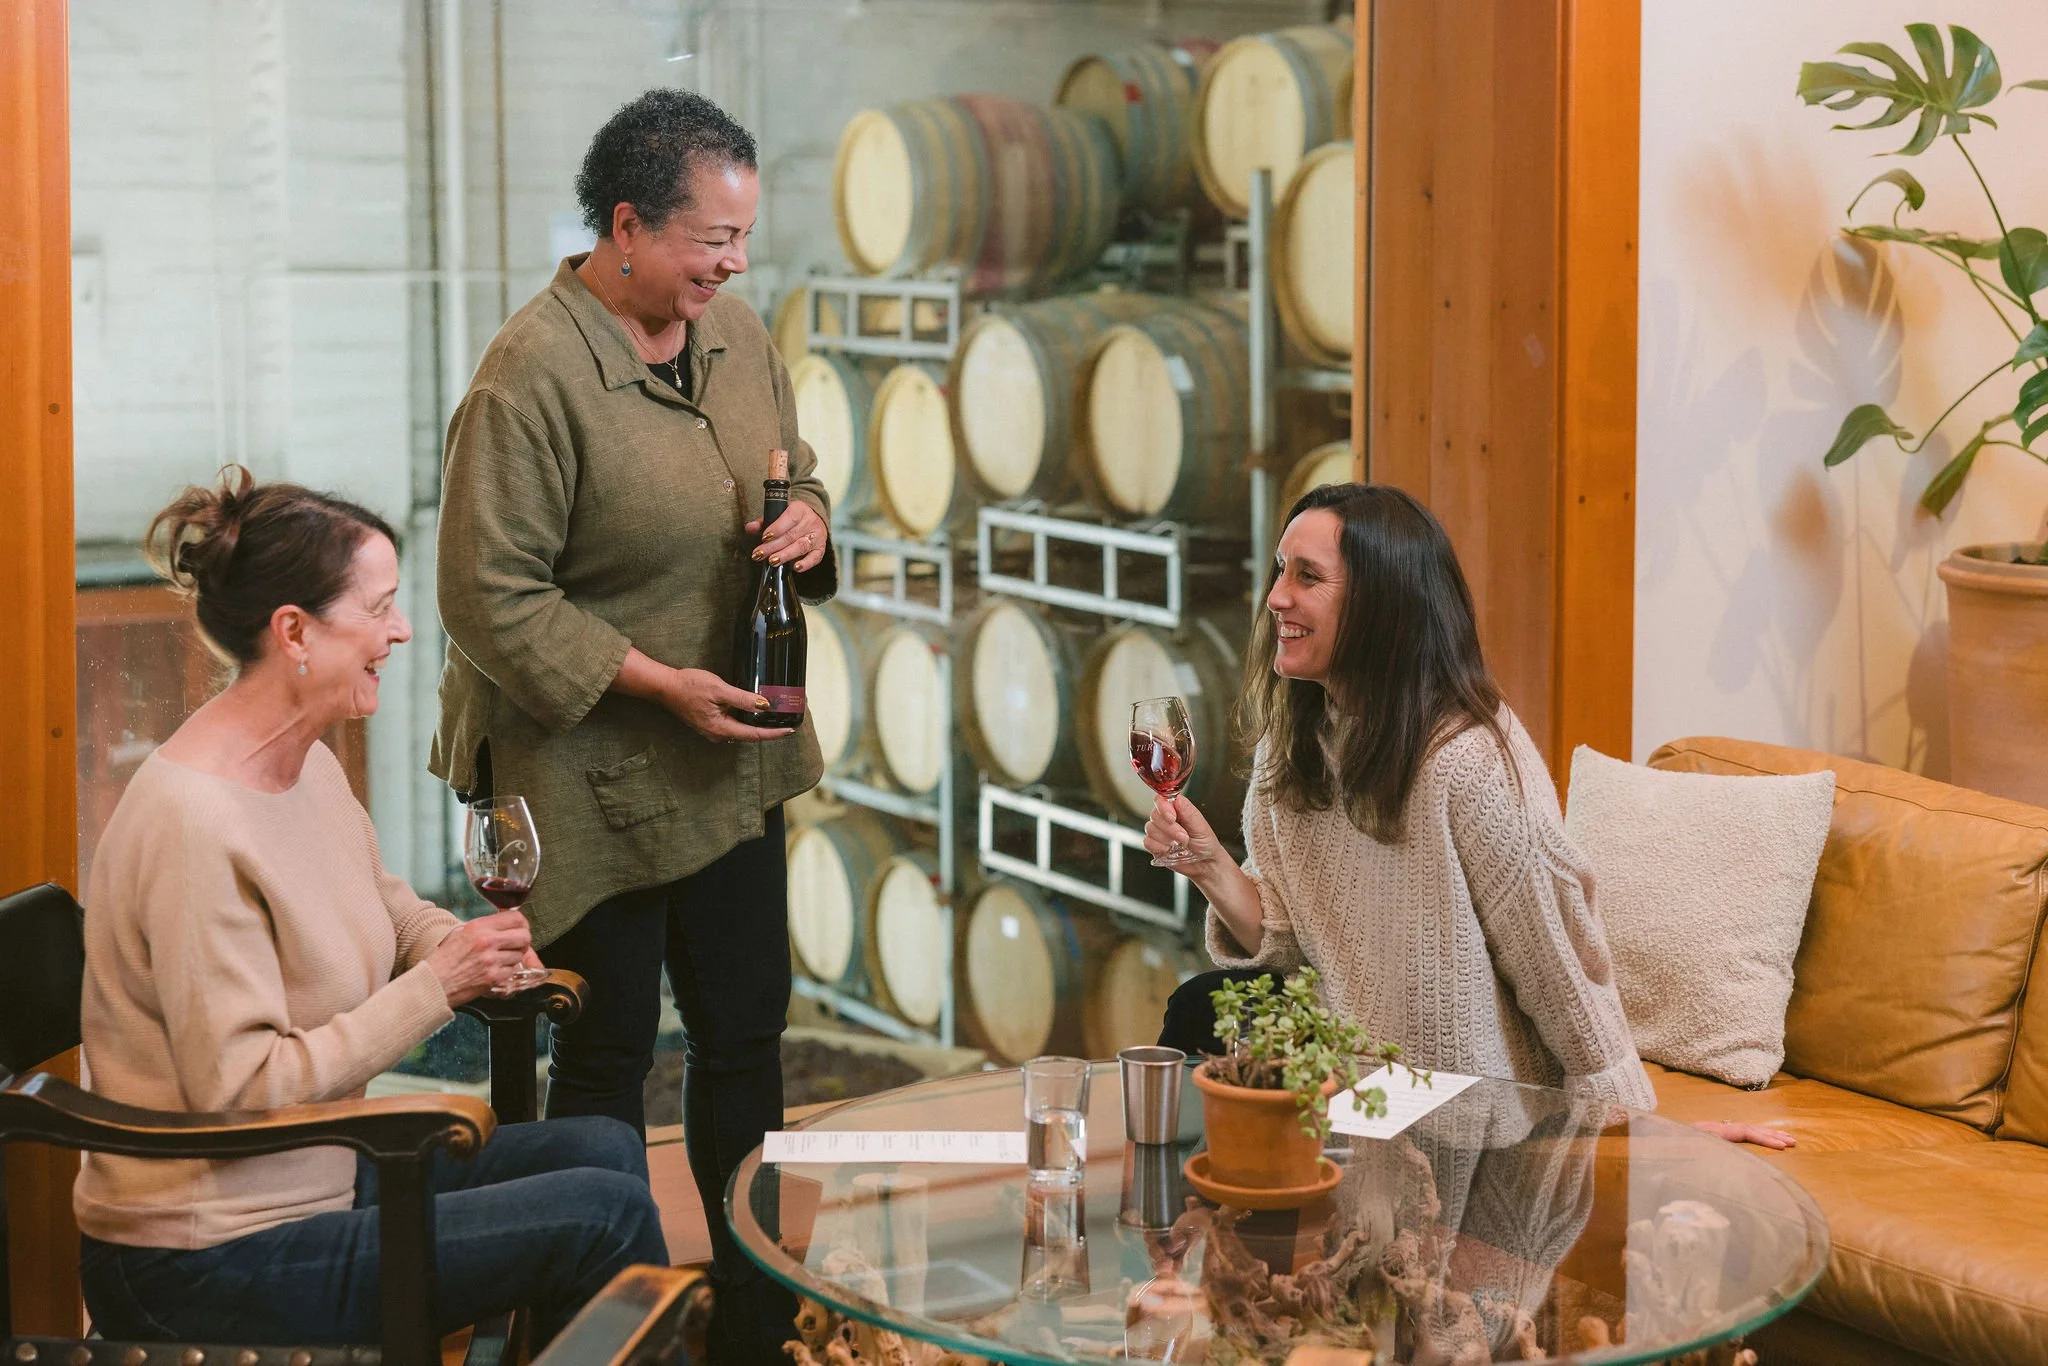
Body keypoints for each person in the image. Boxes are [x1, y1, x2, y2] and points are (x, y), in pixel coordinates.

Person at [76, 469, 668, 1347]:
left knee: (606, 1152)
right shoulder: (194, 825)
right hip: (208, 1251)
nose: (399, 631)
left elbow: (379, 901)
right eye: (379, 607)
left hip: (315, 1179)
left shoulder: (299, 760)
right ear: (295, 632)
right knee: (604, 1214)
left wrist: (459, 944)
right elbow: (240, 1088)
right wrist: (439, 985)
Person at [432, 89, 829, 1359]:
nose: (732, 263)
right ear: (622, 227)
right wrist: (658, 681)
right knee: (604, 1068)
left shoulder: (735, 334)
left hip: (727, 762)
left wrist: (811, 513)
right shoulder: (530, 375)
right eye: (710, 239)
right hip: (586, 772)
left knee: (744, 1041)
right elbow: (488, 596)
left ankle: (754, 1325)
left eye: (743, 238)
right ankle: (602, 1335)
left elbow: (793, 461)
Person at [1150, 484, 1791, 1149]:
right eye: (1281, 570)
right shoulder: (1294, 744)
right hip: (1346, 1054)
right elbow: (1289, 943)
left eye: (1307, 577)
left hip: (1450, 1084)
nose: (1277, 597)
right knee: (1201, 1008)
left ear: (1382, 605)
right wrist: (1208, 865)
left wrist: (1641, 1131)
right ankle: (1168, 1218)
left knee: (1267, 1127)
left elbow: (1558, 967)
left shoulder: (1472, 760)